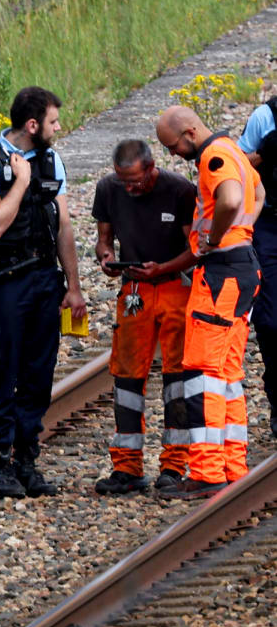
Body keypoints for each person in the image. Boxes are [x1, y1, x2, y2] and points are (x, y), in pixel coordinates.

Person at [0, 86, 87, 499]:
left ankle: (26, 460)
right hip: (5, 283)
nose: (58, 127)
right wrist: (21, 182)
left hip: (43, 279)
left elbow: (64, 226)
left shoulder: (52, 159)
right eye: (53, 121)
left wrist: (74, 287)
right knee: (2, 372)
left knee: (38, 373)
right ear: (32, 125)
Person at [156, 105, 264, 497]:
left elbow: (232, 199)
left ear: (189, 131)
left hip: (220, 273)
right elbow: (259, 191)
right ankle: (233, 464)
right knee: (228, 374)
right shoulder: (234, 149)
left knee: (202, 373)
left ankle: (205, 471)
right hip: (243, 267)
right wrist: (242, 233)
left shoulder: (213, 156)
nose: (172, 155)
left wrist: (217, 238)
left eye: (172, 146)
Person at [90, 139, 197, 495]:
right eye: (125, 182)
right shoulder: (109, 189)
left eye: (136, 180)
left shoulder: (180, 191)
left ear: (152, 168)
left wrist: (162, 268)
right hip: (134, 290)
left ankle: (174, 465)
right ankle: (127, 467)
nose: (131, 188)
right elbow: (103, 239)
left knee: (177, 376)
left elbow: (195, 250)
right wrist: (106, 256)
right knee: (126, 377)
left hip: (173, 287)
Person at [236, 95, 277, 432]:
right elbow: (237, 167)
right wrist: (264, 153)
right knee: (271, 319)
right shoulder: (265, 116)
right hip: (271, 223)